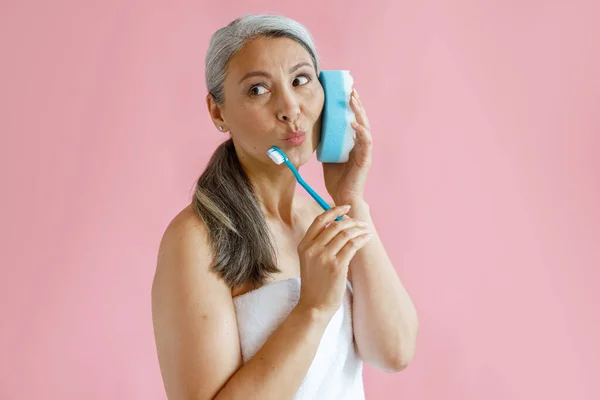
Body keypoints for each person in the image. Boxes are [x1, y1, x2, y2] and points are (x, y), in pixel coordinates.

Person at [151, 14, 419, 400]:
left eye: (300, 80)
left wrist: (350, 201)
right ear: (218, 112)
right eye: (258, 90)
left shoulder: (327, 214)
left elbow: (394, 351)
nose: (290, 108)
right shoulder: (195, 239)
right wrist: (312, 309)